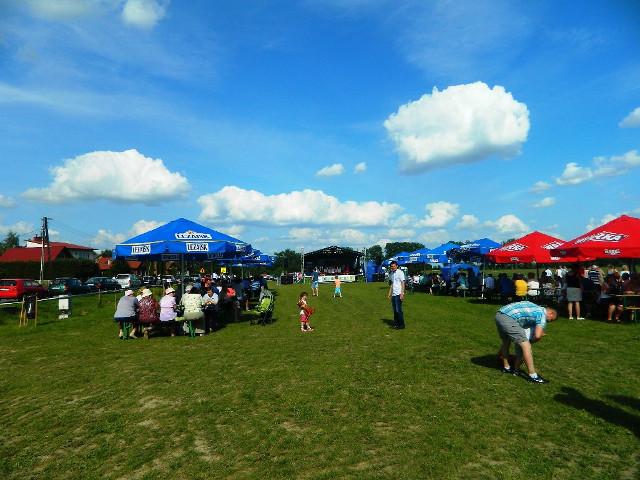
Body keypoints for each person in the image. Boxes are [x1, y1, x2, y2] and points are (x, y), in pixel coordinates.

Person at [495, 301, 558, 383]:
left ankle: (506, 367)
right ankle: (533, 375)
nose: (548, 322)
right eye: (550, 320)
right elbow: (537, 335)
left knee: (506, 342)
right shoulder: (542, 314)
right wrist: (534, 339)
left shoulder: (534, 307)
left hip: (499, 314)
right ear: (551, 314)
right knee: (526, 346)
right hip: (509, 318)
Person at [387, 260, 405, 329]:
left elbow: (403, 283)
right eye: (391, 266)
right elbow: (392, 284)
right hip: (394, 294)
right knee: (395, 310)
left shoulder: (400, 272)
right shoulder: (391, 273)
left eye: (394, 266)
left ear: (397, 266)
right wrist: (389, 293)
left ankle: (401, 325)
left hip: (399, 293)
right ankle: (396, 324)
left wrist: (402, 293)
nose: (393, 267)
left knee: (398, 310)